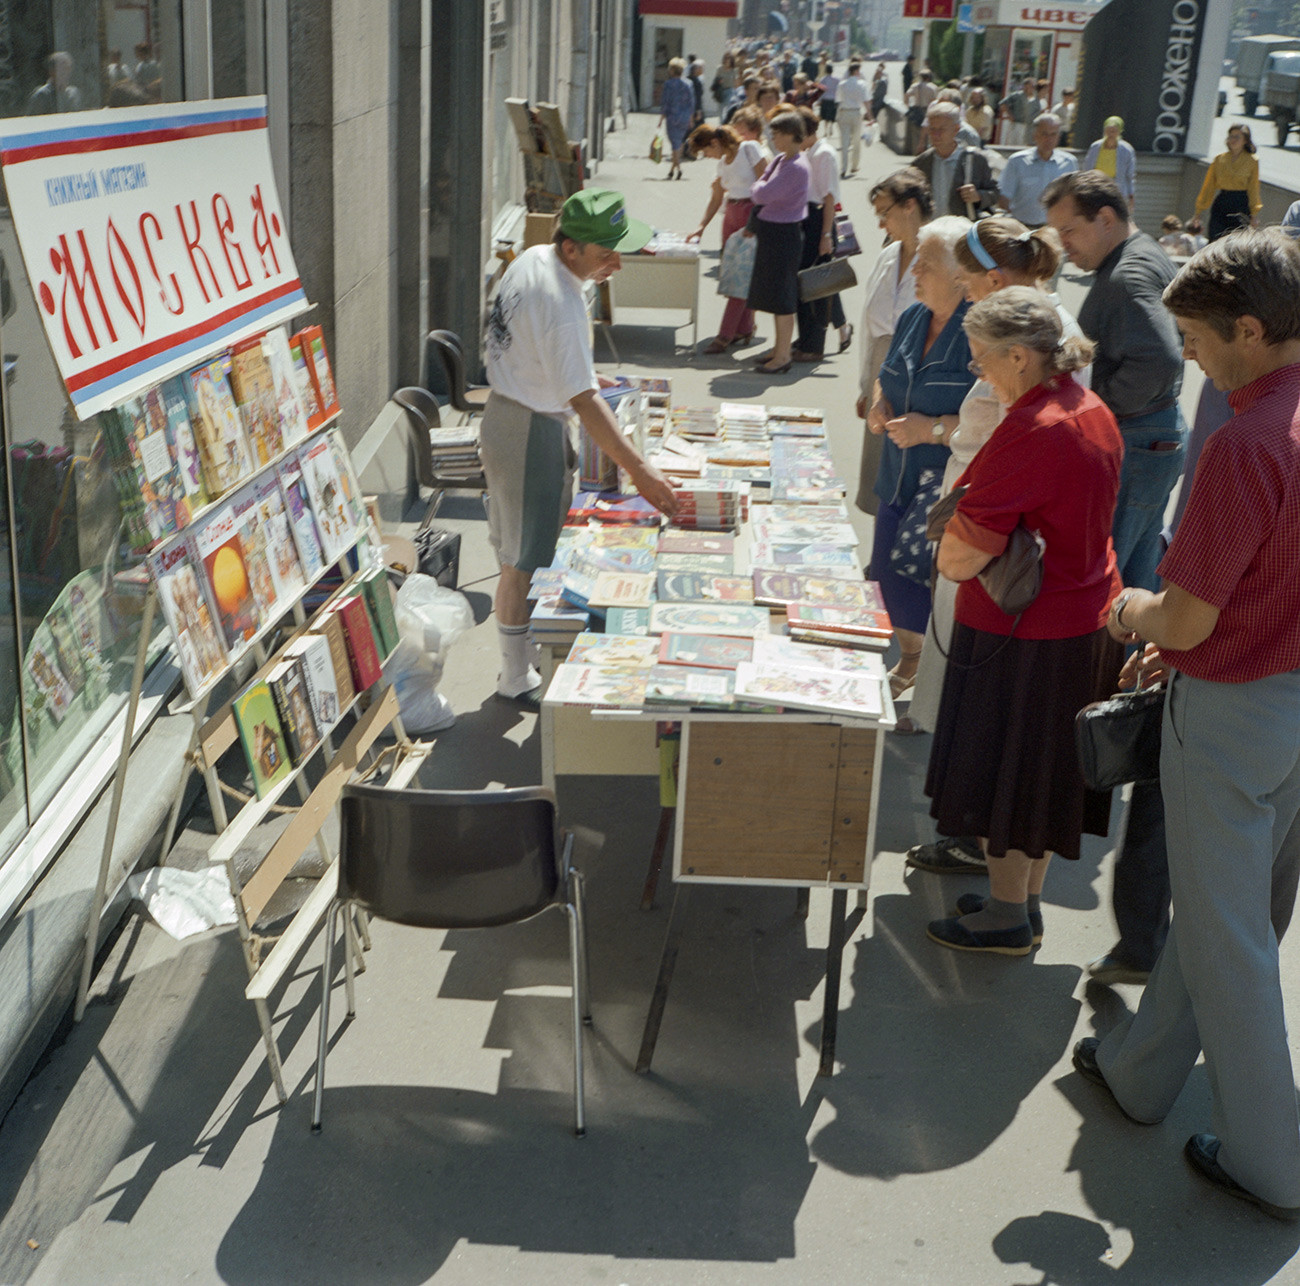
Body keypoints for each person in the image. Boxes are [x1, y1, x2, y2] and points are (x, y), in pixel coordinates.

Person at [1075, 229, 1300, 1222]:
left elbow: (1185, 616)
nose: (1193, 363)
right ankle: (1138, 1070)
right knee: (1231, 918)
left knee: (1229, 937)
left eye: (1202, 344)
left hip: (1236, 710)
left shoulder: (1244, 443)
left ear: (1248, 329)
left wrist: (1127, 610)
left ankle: (1273, 1158)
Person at [924, 287, 1124, 955]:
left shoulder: (1034, 426)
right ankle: (1024, 903)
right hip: (1079, 617)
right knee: (1039, 777)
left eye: (982, 360)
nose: (978, 371)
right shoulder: (1088, 408)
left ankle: (1007, 913)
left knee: (1002, 774)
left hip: (1025, 631)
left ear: (1018, 356)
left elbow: (964, 552)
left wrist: (948, 554)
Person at [482, 189, 677, 701]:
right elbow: (585, 403)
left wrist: (586, 377)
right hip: (530, 430)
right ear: (571, 248)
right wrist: (641, 470)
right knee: (526, 561)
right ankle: (514, 676)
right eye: (605, 251)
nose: (617, 262)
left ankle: (515, 668)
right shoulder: (563, 301)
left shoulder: (532, 257)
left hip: (508, 414)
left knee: (514, 556)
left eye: (619, 248)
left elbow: (542, 352)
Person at [1043, 170, 1186, 592]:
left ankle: (1108, 659)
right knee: (1132, 580)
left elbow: (1160, 361)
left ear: (1105, 218)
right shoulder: (1137, 254)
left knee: (1107, 580)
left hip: (1136, 441)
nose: (1062, 244)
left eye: (1068, 230)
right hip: (1149, 439)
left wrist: (1095, 408)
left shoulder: (1128, 275)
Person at [866, 216, 975, 698]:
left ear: (958, 274)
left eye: (925, 264)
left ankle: (932, 681)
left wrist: (930, 430)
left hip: (941, 492)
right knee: (889, 581)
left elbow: (990, 424)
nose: (914, 272)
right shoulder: (912, 317)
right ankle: (911, 657)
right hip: (895, 479)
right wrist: (877, 401)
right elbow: (886, 374)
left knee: (934, 592)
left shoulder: (977, 332)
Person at [855, 168, 930, 518]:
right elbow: (869, 325)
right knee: (877, 467)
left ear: (910, 206)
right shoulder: (888, 255)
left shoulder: (939, 255)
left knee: (908, 466)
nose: (882, 224)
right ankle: (880, 550)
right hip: (882, 368)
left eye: (885, 213)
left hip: (919, 369)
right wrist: (864, 385)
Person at [686, 120, 767, 353]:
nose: (708, 156)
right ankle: (745, 327)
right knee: (734, 273)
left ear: (714, 142)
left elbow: (766, 180)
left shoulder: (749, 149)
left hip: (750, 212)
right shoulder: (723, 164)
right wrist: (702, 226)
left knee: (741, 275)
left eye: (706, 151)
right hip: (731, 213)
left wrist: (758, 218)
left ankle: (725, 334)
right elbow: (716, 198)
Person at [744, 111, 811, 374]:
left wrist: (759, 187)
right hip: (774, 231)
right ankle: (778, 348)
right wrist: (759, 186)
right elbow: (761, 185)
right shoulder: (784, 160)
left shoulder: (795, 166)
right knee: (774, 295)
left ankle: (783, 355)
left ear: (790, 134)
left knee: (783, 297)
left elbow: (762, 192)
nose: (773, 139)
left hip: (784, 234)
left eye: (776, 134)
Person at [792, 107, 850, 362]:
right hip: (809, 218)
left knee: (817, 286)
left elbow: (828, 198)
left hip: (819, 220)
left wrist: (825, 234)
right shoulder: (811, 152)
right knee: (814, 281)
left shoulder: (824, 154)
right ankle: (808, 339)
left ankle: (814, 345)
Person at [912, 102, 997, 220]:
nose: (936, 135)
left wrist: (978, 196)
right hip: (929, 231)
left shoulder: (975, 160)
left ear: (956, 129)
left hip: (962, 232)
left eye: (942, 129)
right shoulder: (921, 163)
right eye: (932, 129)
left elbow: (995, 193)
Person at [997, 114, 1076, 228]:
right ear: (1035, 135)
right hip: (1022, 228)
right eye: (1044, 134)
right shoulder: (1017, 161)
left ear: (1058, 137)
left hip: (1054, 231)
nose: (1049, 139)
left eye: (1053, 134)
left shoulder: (1069, 163)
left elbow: (1073, 198)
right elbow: (1004, 197)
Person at [1194, 124, 1261, 242]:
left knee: (1236, 243)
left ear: (1245, 140)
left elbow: (1253, 188)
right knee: (1215, 239)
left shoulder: (1252, 160)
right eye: (1231, 136)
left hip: (1241, 204)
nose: (1233, 140)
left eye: (1237, 137)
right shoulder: (1219, 159)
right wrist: (1199, 211)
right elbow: (1208, 186)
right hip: (1222, 201)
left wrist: (1254, 214)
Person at [1084, 116, 1136, 208]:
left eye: (1113, 131)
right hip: (1096, 187)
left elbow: (1130, 175)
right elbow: (1087, 169)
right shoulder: (1095, 147)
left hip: (1116, 189)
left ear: (1119, 132)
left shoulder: (1126, 150)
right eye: (1108, 131)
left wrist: (1131, 194)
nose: (1110, 134)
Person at [658, 59, 696, 180]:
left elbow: (665, 103)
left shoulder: (668, 85)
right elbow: (691, 102)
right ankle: (672, 170)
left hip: (672, 117)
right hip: (684, 117)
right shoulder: (688, 84)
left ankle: (678, 168)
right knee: (678, 143)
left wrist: (661, 118)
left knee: (674, 144)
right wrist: (691, 118)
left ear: (673, 70)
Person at [838, 62, 870, 177]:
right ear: (856, 71)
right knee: (856, 141)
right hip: (856, 112)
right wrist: (870, 116)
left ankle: (843, 167)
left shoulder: (842, 84)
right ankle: (854, 166)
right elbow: (866, 101)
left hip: (844, 112)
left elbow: (838, 99)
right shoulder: (862, 84)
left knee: (844, 141)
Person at [1000, 76, 1041, 147]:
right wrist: (1009, 115)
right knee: (1014, 144)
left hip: (1029, 126)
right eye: (1030, 86)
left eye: (1033, 87)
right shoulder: (1017, 95)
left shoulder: (1035, 98)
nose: (1032, 88)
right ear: (1025, 86)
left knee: (1025, 144)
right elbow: (1003, 104)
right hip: (1017, 123)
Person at [817, 63, 839, 135]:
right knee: (832, 115)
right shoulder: (836, 79)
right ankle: (831, 128)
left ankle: (825, 130)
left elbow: (821, 91)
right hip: (833, 99)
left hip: (825, 99)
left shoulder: (823, 79)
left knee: (825, 116)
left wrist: (819, 100)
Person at [689, 60, 708, 129]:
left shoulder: (688, 80)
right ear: (696, 70)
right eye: (701, 68)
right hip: (696, 110)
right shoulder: (697, 82)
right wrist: (699, 110)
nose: (702, 70)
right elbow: (698, 97)